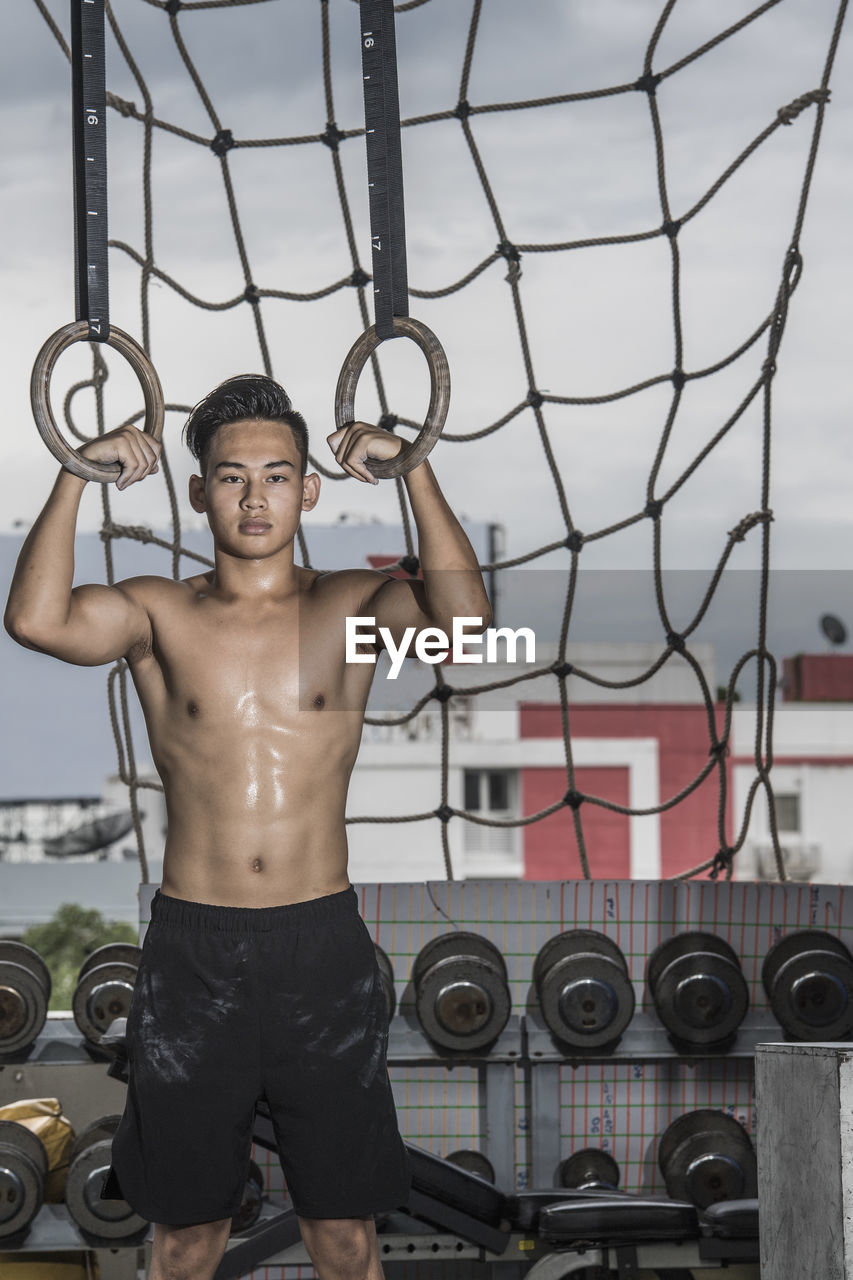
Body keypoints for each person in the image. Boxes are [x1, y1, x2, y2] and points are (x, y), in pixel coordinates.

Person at [4, 374, 492, 1280]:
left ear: (309, 489)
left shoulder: (350, 608)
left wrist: (412, 469)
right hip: (196, 952)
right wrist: (75, 471)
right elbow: (34, 620)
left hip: (321, 947)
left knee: (343, 1236)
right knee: (187, 1238)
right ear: (199, 491)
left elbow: (464, 627)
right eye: (231, 476)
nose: (255, 496)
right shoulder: (156, 610)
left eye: (276, 475)